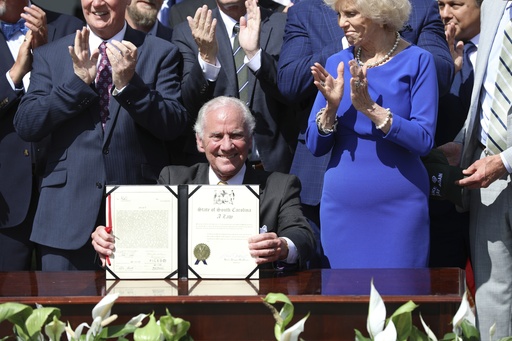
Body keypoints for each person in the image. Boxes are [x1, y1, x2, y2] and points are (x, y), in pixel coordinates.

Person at [13, 0, 188, 271]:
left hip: (137, 215)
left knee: (136, 313)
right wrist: (76, 85)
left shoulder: (160, 52)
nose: (96, 3)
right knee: (63, 314)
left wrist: (130, 87)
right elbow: (27, 124)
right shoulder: (52, 54)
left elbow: (174, 125)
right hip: (65, 218)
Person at [276, 0, 454, 268]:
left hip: (400, 205)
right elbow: (315, 144)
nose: (340, 23)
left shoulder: (419, 61)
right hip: (342, 205)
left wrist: (372, 110)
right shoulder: (337, 63)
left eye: (350, 14)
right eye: (338, 14)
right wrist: (331, 108)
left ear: (379, 14)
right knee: (344, 300)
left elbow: (423, 140)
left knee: (400, 297)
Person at [92, 96, 316, 270]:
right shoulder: (173, 180)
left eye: (236, 135)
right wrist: (109, 238)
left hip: (255, 300)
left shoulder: (280, 186)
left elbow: (303, 236)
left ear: (250, 140)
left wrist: (282, 247)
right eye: (216, 136)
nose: (227, 146)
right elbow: (143, 233)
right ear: (200, 142)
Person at [438, 1, 512, 338]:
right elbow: (487, 93)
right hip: (487, 179)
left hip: (498, 165)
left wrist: (505, 161)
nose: (446, 11)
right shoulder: (493, 9)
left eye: (454, 3)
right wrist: (463, 143)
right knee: (491, 296)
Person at [0, 1, 83, 270]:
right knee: (9, 307)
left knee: (67, 299)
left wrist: (49, 54)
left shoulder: (72, 28)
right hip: (6, 199)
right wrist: (14, 75)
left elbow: (86, 99)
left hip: (64, 194)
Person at [171, 0, 296, 173]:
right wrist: (207, 58)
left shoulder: (282, 25)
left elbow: (292, 92)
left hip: (272, 170)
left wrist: (255, 55)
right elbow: (189, 106)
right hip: (213, 170)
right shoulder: (190, 31)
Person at [428, 0, 481, 269]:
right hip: (443, 198)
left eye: (456, 4)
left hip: (494, 191)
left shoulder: (502, 51)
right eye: (440, 4)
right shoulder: (431, 53)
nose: (445, 13)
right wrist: (446, 72)